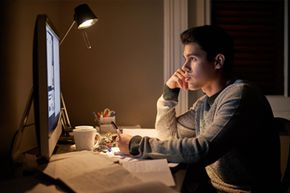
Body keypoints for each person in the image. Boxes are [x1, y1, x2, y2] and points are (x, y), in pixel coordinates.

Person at [117, 25, 281, 193]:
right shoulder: (203, 105)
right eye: (185, 59)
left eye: (193, 59)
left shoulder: (240, 96)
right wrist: (169, 92)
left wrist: (137, 144)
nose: (184, 68)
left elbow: (202, 150)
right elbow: (169, 136)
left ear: (218, 61)